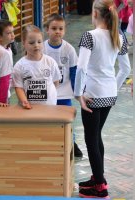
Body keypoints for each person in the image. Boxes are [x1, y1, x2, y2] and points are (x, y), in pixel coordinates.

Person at [74, 0, 131, 198]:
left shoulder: (90, 36)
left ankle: (100, 187)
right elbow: (126, 69)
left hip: (92, 94)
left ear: (95, 14)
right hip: (108, 94)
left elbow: (81, 68)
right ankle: (99, 177)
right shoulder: (119, 35)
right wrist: (113, 88)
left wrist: (78, 94)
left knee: (91, 139)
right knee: (96, 135)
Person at [43, 13, 83, 158]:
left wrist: (77, 92)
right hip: (46, 94)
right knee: (48, 121)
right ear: (47, 30)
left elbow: (74, 71)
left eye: (60, 28)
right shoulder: (42, 48)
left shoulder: (69, 49)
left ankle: (71, 144)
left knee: (67, 122)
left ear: (64, 30)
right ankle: (51, 144)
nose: (57, 31)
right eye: (54, 28)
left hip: (65, 93)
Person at [13, 25, 61, 109]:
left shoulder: (50, 62)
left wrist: (50, 97)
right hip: (29, 108)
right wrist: (24, 101)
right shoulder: (19, 65)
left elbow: (56, 82)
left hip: (49, 107)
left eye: (39, 42)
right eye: (31, 43)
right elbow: (18, 87)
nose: (36, 45)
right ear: (24, 43)